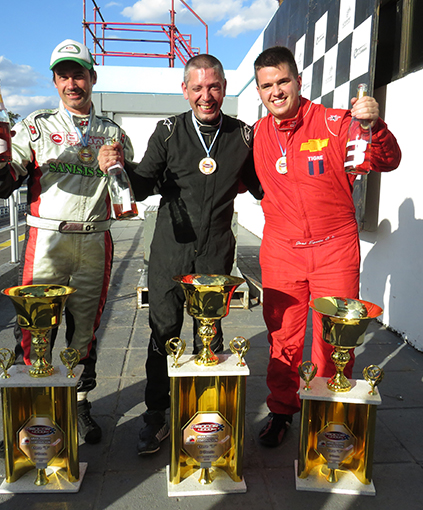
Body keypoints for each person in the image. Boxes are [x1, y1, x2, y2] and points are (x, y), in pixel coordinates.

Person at [99, 54, 262, 455]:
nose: (206, 96)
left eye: (214, 87)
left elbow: (264, 185)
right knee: (163, 331)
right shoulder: (169, 132)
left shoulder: (243, 135)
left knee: (211, 334)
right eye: (198, 88)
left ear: (223, 87)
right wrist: (118, 167)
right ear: (185, 90)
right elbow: (142, 183)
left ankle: (207, 414)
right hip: (171, 249)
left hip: (216, 252)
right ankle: (157, 413)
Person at [0, 38, 135, 445]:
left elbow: (129, 193)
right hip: (46, 238)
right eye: (64, 75)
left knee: (84, 331)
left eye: (78, 74)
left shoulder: (113, 133)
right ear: (54, 81)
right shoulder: (36, 126)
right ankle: (33, 412)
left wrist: (121, 172)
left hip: (94, 240)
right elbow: (1, 184)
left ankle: (80, 403)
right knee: (34, 328)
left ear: (92, 78)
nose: (72, 83)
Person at [252, 46, 402, 446]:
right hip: (282, 250)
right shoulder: (257, 133)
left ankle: (325, 414)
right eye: (267, 85)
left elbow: (387, 161)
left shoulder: (337, 123)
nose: (276, 91)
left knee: (334, 340)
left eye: (283, 81)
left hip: (334, 248)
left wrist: (374, 126)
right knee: (282, 338)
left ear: (299, 81)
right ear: (259, 91)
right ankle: (282, 410)